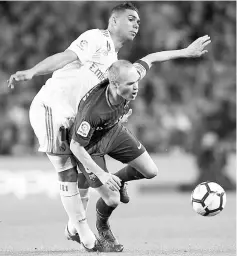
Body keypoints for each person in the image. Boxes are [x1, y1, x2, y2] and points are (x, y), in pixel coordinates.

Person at [8, 2, 141, 252]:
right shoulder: (96, 39)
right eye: (131, 19)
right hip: (52, 107)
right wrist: (33, 71)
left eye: (138, 22)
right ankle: (86, 236)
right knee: (66, 169)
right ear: (114, 21)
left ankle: (72, 227)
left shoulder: (115, 64)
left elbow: (102, 101)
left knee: (84, 173)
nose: (136, 25)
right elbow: (65, 57)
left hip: (76, 118)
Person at [62, 36, 212, 251]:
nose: (136, 88)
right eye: (130, 84)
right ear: (114, 84)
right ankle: (103, 227)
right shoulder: (93, 111)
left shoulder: (127, 77)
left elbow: (151, 58)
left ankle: (121, 181)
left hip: (112, 131)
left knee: (151, 171)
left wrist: (186, 52)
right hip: (89, 148)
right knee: (112, 200)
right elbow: (76, 147)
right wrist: (103, 175)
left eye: (137, 82)